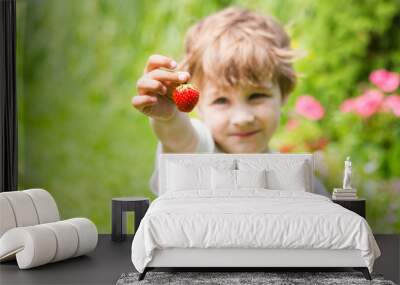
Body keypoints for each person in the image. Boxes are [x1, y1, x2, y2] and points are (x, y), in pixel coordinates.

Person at [132, 6, 328, 197]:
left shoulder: (299, 179)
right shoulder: (202, 151)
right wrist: (168, 118)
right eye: (221, 101)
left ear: (284, 93)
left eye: (257, 96)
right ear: (198, 104)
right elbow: (179, 140)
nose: (242, 118)